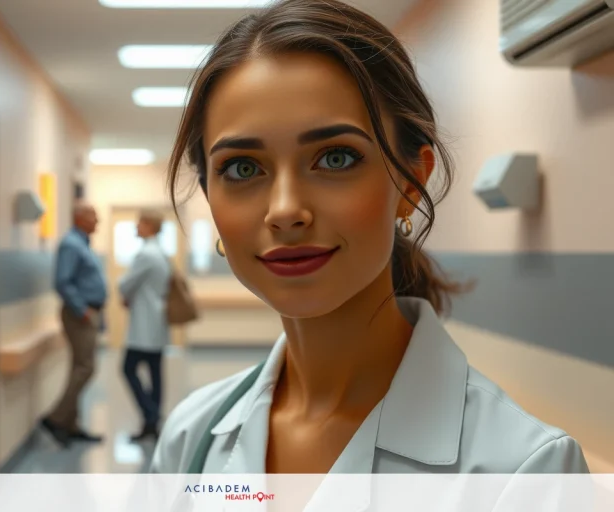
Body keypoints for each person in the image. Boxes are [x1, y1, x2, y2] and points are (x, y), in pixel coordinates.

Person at [151, 0, 589, 474]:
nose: (284, 211)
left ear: (411, 182)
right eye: (242, 168)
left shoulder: (525, 469)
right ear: (209, 197)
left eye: (335, 158)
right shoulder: (188, 440)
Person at [41, 202, 106, 448]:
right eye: (94, 218)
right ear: (80, 219)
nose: (97, 222)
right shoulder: (70, 244)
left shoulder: (82, 244)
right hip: (79, 315)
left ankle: (71, 424)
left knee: (78, 367)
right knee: (85, 368)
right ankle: (55, 419)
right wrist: (83, 310)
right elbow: (62, 282)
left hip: (88, 312)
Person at [119, 209, 172, 442]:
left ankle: (150, 415)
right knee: (154, 372)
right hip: (156, 321)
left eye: (139, 222)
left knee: (128, 369)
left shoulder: (146, 255)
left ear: (150, 225)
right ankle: (152, 422)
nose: (135, 227)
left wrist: (124, 291)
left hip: (144, 325)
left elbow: (125, 284)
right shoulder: (160, 252)